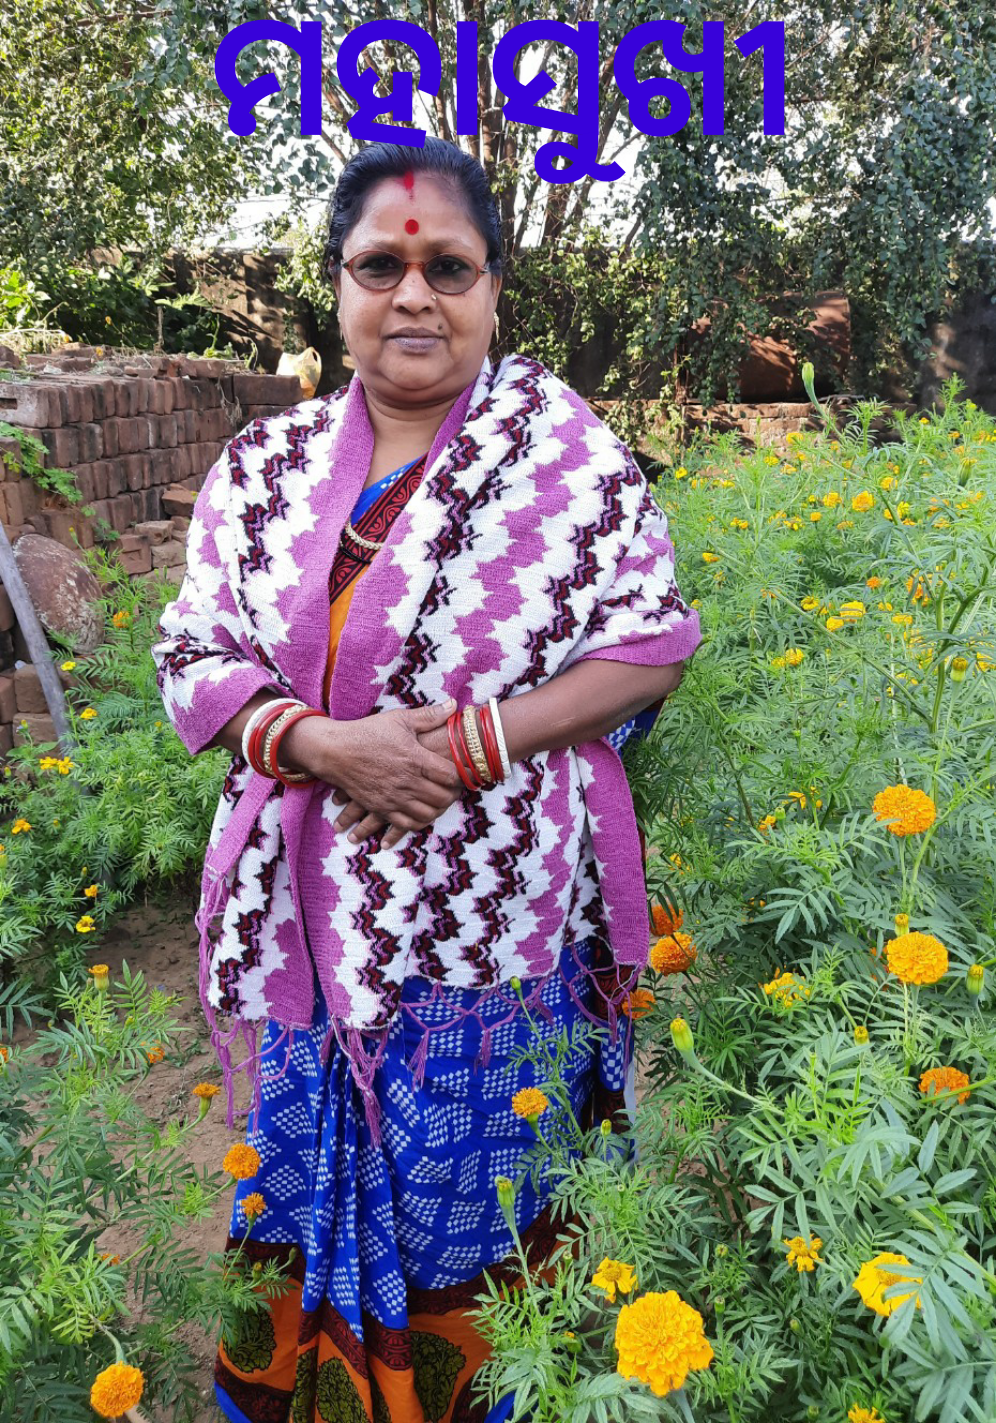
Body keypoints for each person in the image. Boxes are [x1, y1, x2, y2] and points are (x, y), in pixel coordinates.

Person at [153, 136, 701, 1423]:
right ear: (337, 285)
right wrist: (325, 744)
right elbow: (192, 655)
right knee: (293, 1184)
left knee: (480, 1205)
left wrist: (471, 747)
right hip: (302, 928)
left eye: (447, 267)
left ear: (494, 286)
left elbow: (653, 643)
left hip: (492, 925)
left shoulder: (563, 457)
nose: (414, 295)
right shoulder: (265, 470)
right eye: (379, 267)